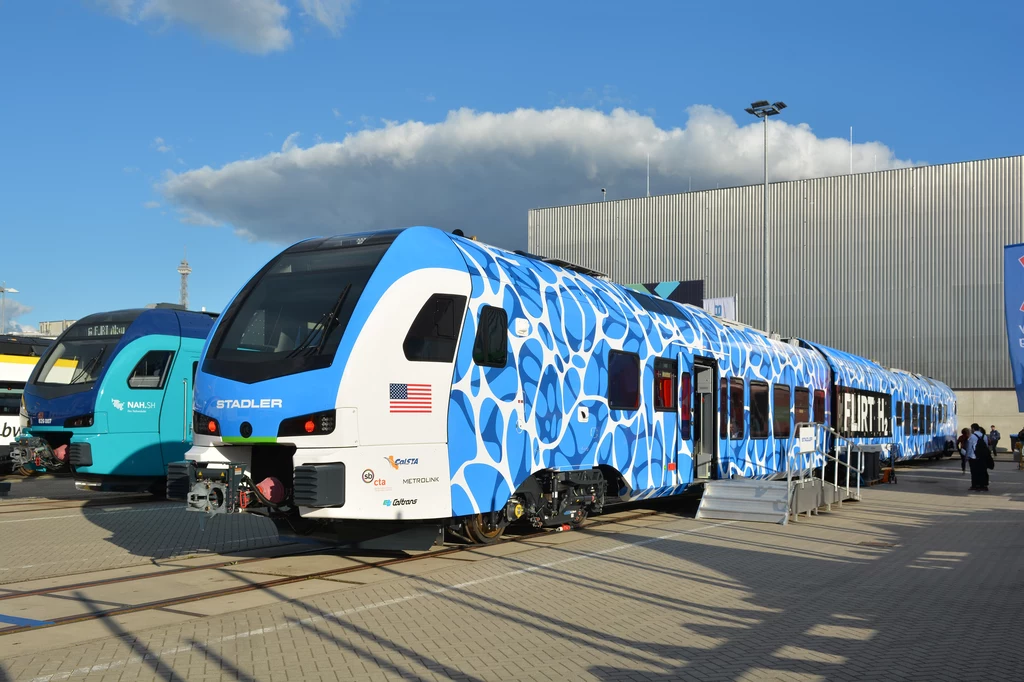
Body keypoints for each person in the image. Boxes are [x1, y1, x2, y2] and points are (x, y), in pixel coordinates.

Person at [966, 423, 989, 492]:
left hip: (974, 457)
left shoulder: (972, 436)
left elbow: (969, 448)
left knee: (974, 472)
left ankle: (975, 485)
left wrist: (967, 456)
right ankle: (983, 486)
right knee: (982, 471)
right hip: (983, 457)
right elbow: (986, 446)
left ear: (973, 428)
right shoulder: (984, 436)